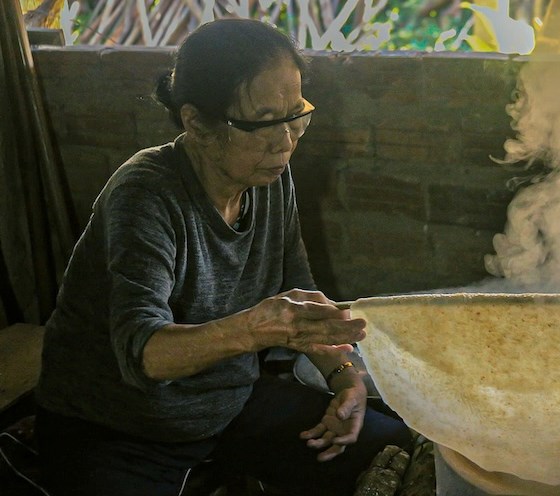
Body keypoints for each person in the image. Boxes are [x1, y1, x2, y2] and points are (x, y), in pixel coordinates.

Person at [34, 18, 412, 496]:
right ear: (196, 123)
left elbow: (298, 304)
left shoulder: (267, 176)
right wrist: (256, 327)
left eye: (296, 116)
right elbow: (143, 355)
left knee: (393, 449)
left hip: (226, 404)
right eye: (262, 123)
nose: (285, 143)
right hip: (118, 430)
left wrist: (346, 381)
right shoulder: (146, 193)